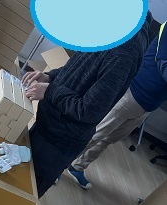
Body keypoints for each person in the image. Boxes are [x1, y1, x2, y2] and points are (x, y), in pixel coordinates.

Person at [22, 11, 152, 199]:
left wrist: (50, 90)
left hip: (58, 139)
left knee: (25, 192)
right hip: (48, 123)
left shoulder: (126, 49)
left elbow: (88, 110)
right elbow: (78, 66)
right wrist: (50, 77)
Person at [68, 22, 167, 190]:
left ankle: (77, 167)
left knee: (109, 139)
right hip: (132, 93)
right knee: (95, 134)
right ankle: (57, 165)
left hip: (147, 106)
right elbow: (164, 64)